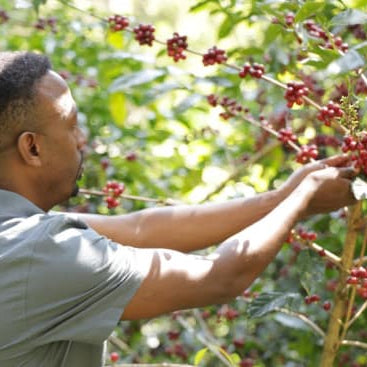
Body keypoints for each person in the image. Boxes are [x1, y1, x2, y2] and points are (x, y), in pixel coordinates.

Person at [0, 51, 357, 367]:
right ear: (31, 148)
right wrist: (303, 196)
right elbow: (221, 276)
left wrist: (280, 198)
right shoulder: (42, 254)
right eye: (71, 124)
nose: (81, 139)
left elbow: (140, 229)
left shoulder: (19, 232)